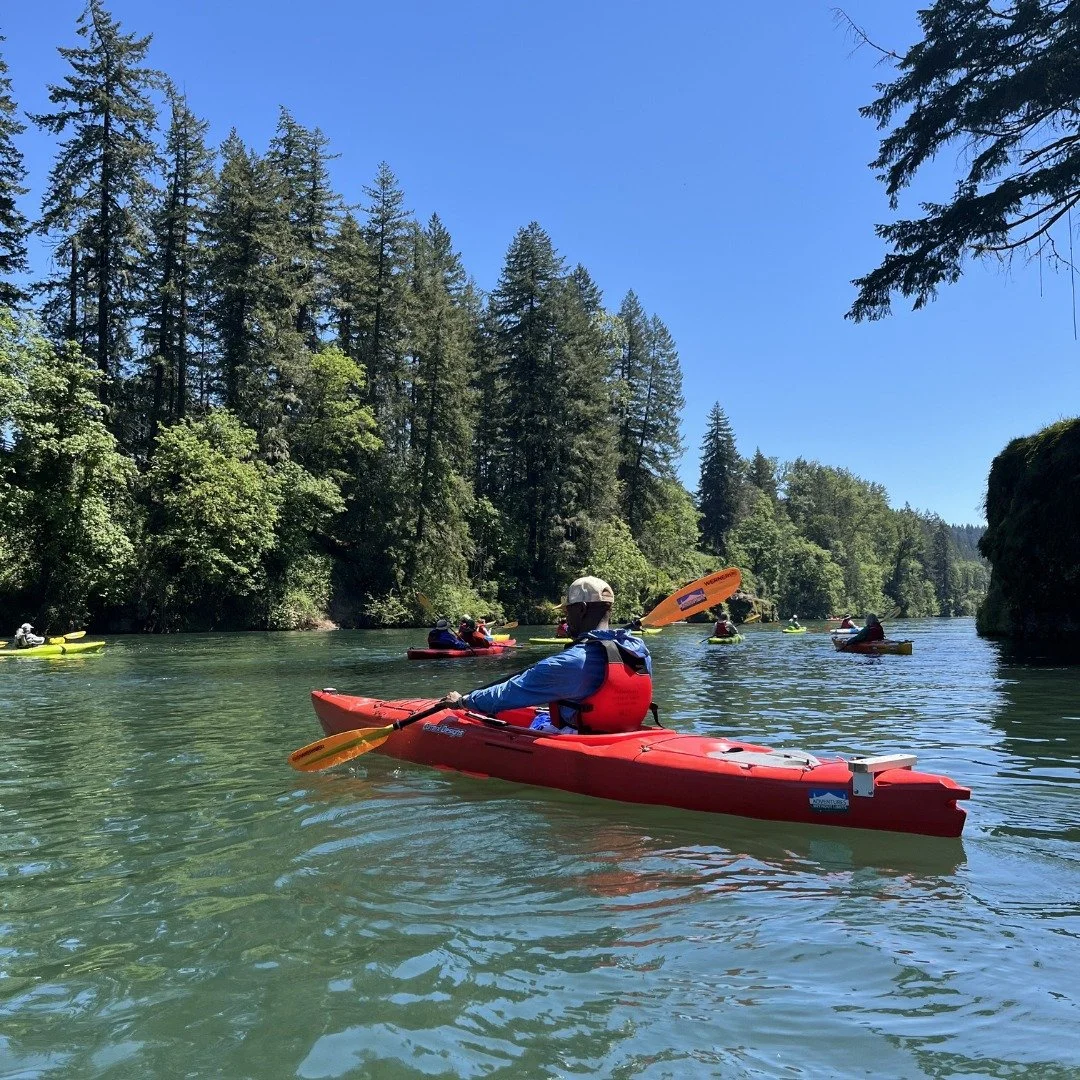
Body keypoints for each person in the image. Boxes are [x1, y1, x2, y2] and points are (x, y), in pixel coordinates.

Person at [445, 576, 653, 735]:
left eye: (567, 611)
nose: (565, 617)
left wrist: (464, 701)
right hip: (623, 734)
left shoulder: (569, 662)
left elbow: (509, 693)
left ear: (581, 610)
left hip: (578, 736)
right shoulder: (637, 649)